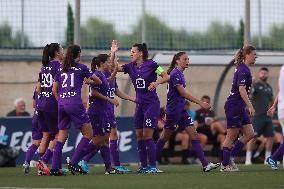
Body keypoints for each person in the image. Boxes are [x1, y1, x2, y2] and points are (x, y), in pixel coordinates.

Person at [155, 52, 220, 172]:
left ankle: (205, 164)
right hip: (174, 111)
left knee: (194, 134)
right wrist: (200, 103)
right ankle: (150, 163)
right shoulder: (175, 73)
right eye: (185, 59)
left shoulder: (179, 73)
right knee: (164, 137)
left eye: (188, 59)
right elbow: (183, 93)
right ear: (177, 61)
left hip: (182, 110)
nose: (187, 61)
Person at [47, 45, 101, 176]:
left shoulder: (60, 68)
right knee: (88, 134)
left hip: (61, 104)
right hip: (75, 104)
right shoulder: (81, 67)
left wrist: (61, 101)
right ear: (79, 54)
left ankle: (55, 168)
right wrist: (88, 81)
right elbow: (98, 81)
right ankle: (74, 162)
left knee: (61, 136)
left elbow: (54, 89)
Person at [117, 42, 170, 173]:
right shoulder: (130, 67)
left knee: (147, 135)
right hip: (139, 105)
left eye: (133, 52)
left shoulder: (152, 64)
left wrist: (156, 82)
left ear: (140, 53)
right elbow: (115, 68)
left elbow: (166, 76)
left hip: (151, 104)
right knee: (139, 135)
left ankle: (153, 166)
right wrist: (113, 53)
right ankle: (143, 166)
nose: (131, 54)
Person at [221, 45, 257, 172]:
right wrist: (250, 106)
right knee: (231, 136)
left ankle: (229, 157)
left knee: (250, 133)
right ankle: (225, 165)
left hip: (239, 106)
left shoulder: (245, 69)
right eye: (254, 54)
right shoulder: (243, 69)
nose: (255, 56)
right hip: (234, 105)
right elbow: (241, 90)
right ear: (247, 54)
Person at [35, 43, 63, 174]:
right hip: (52, 105)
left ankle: (41, 167)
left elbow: (38, 88)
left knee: (46, 135)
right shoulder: (58, 66)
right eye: (62, 49)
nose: (63, 52)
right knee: (59, 134)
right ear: (57, 53)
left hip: (41, 104)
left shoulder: (44, 67)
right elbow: (57, 87)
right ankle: (44, 161)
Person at [245, 67, 274, 165]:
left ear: (268, 74)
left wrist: (272, 108)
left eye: (265, 73)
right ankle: (248, 160)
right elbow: (249, 94)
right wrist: (251, 83)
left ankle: (268, 159)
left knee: (270, 137)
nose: (264, 75)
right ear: (259, 74)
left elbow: (272, 99)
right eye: (262, 73)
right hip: (257, 116)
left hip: (267, 117)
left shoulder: (269, 87)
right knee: (253, 137)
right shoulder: (255, 85)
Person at [266, 63, 284, 170]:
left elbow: (280, 91)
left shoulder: (282, 68)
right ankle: (274, 157)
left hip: (282, 109)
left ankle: (273, 158)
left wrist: (274, 105)